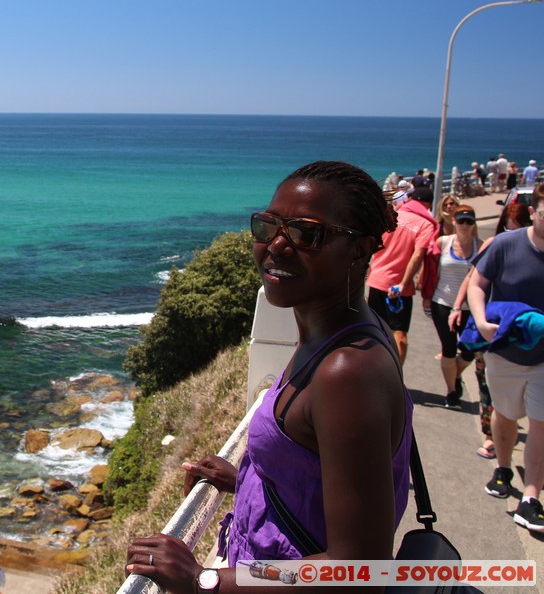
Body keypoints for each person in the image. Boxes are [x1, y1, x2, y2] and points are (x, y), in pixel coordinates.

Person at [125, 161, 411, 593]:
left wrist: (202, 580)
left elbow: (360, 570)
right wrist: (251, 477)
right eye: (268, 226)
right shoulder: (340, 333)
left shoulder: (346, 370)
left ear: (359, 249)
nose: (277, 245)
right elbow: (320, 465)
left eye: (306, 233)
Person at [466, 185, 544, 532]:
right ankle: (503, 467)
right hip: (505, 352)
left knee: (541, 424)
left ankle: (531, 498)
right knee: (505, 415)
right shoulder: (505, 244)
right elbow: (477, 282)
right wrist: (480, 321)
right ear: (533, 211)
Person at [367, 186, 438, 365]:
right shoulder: (425, 224)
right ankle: (395, 379)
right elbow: (418, 254)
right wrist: (403, 283)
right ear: (428, 204)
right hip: (399, 288)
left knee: (373, 331)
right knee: (399, 336)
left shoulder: (392, 217)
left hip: (376, 281)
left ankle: (373, 373)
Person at [428, 205, 481, 409]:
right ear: (454, 221)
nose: (465, 225)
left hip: (471, 308)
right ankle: (451, 392)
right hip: (442, 303)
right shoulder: (443, 242)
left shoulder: (481, 245)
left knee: (468, 351)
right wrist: (426, 295)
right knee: (449, 349)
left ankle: (454, 374)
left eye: (469, 221)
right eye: (461, 221)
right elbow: (431, 271)